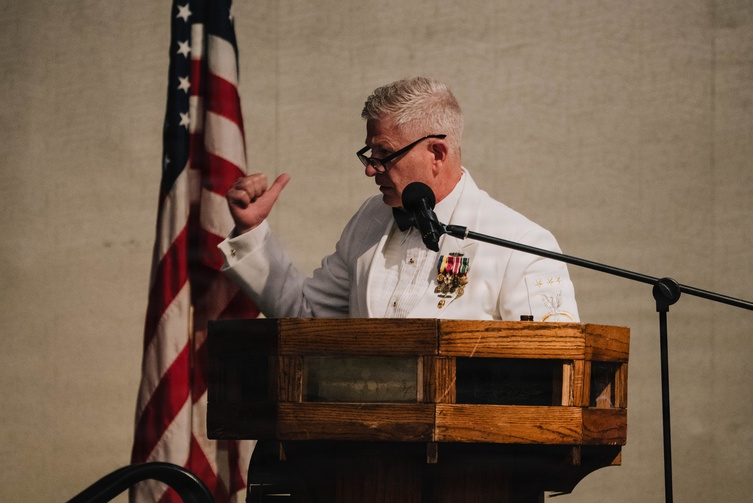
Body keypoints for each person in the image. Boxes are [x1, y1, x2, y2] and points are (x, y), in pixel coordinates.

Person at [219, 77, 578, 322]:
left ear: (436, 153)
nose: (370, 169)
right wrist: (251, 232)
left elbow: (549, 367)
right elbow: (307, 315)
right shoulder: (371, 218)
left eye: (384, 154)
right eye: (369, 153)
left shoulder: (522, 243)